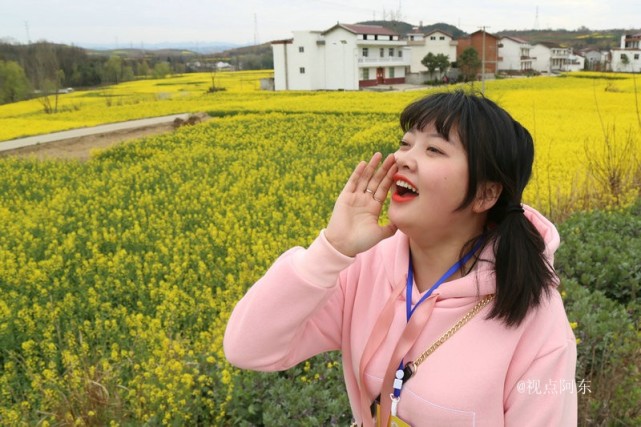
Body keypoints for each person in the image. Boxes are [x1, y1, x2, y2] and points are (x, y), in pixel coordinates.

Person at [224, 90, 577, 426]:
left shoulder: (536, 316)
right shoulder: (366, 267)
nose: (403, 158)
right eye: (405, 143)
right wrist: (332, 249)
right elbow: (248, 349)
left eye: (434, 150)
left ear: (485, 194)